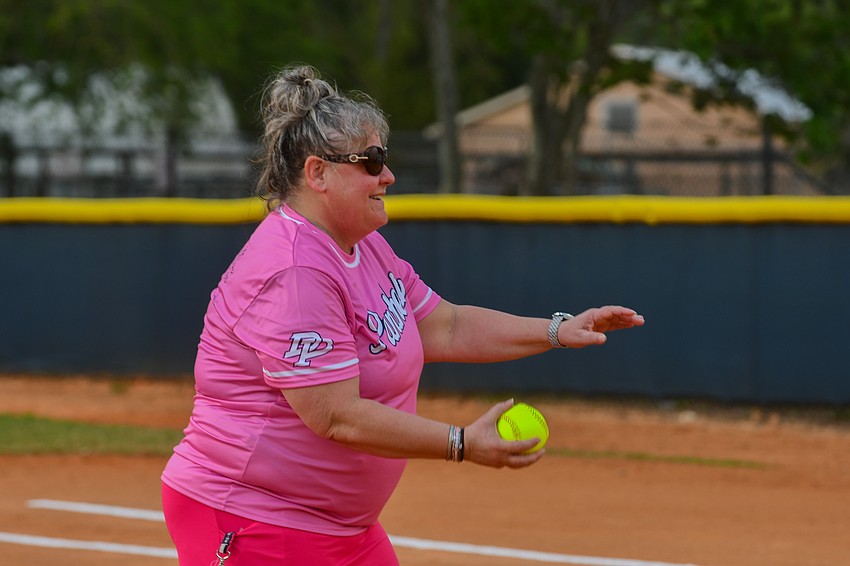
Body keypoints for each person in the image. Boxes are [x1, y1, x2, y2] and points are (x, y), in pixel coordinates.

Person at [160, 64, 644, 565]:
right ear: (317, 173)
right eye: (371, 161)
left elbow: (447, 327)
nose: (387, 174)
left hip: (340, 527)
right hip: (254, 517)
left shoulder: (362, 248)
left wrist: (557, 329)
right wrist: (460, 442)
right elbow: (336, 416)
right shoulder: (294, 272)